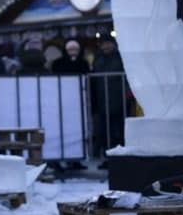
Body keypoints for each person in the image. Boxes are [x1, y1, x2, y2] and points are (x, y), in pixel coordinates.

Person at [51, 39, 90, 169]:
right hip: (64, 102)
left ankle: (76, 160)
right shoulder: (58, 64)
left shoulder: (83, 63)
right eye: (70, 49)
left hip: (80, 102)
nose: (73, 52)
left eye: (75, 49)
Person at [91, 35, 127, 167]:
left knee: (119, 131)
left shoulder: (120, 57)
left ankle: (121, 160)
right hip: (103, 102)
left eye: (108, 43)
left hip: (120, 101)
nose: (105, 46)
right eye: (103, 44)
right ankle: (108, 159)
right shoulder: (98, 59)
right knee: (105, 133)